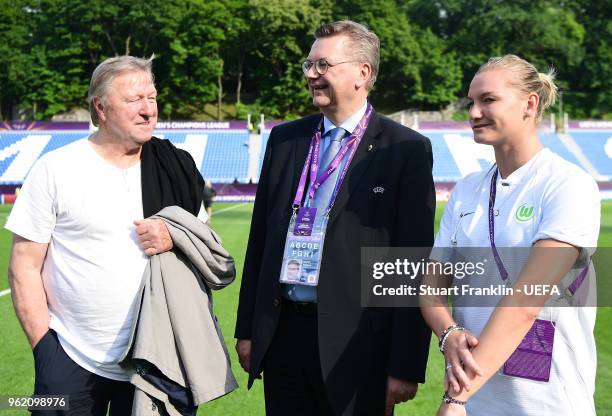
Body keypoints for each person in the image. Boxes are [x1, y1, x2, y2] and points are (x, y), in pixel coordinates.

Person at [235, 20, 435, 416]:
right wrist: (248, 330)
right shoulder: (285, 139)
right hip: (284, 337)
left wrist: (405, 363)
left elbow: (410, 262)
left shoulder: (406, 149)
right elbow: (261, 241)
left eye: (323, 64)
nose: (311, 75)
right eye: (308, 65)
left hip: (359, 347)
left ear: (362, 73)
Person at [6, 55, 210, 415]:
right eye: (134, 100)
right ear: (100, 107)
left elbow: (205, 248)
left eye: (153, 97)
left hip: (158, 357)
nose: (149, 110)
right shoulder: (56, 169)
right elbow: (23, 266)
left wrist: (173, 237)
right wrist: (45, 351)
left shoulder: (176, 165)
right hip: (70, 356)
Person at [420, 55, 600, 415]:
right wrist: (449, 332)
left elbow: (526, 303)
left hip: (548, 404)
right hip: (480, 403)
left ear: (529, 104)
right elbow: (431, 288)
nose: (473, 112)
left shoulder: (568, 185)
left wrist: (455, 399)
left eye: (488, 100)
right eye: (470, 102)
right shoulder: (466, 190)